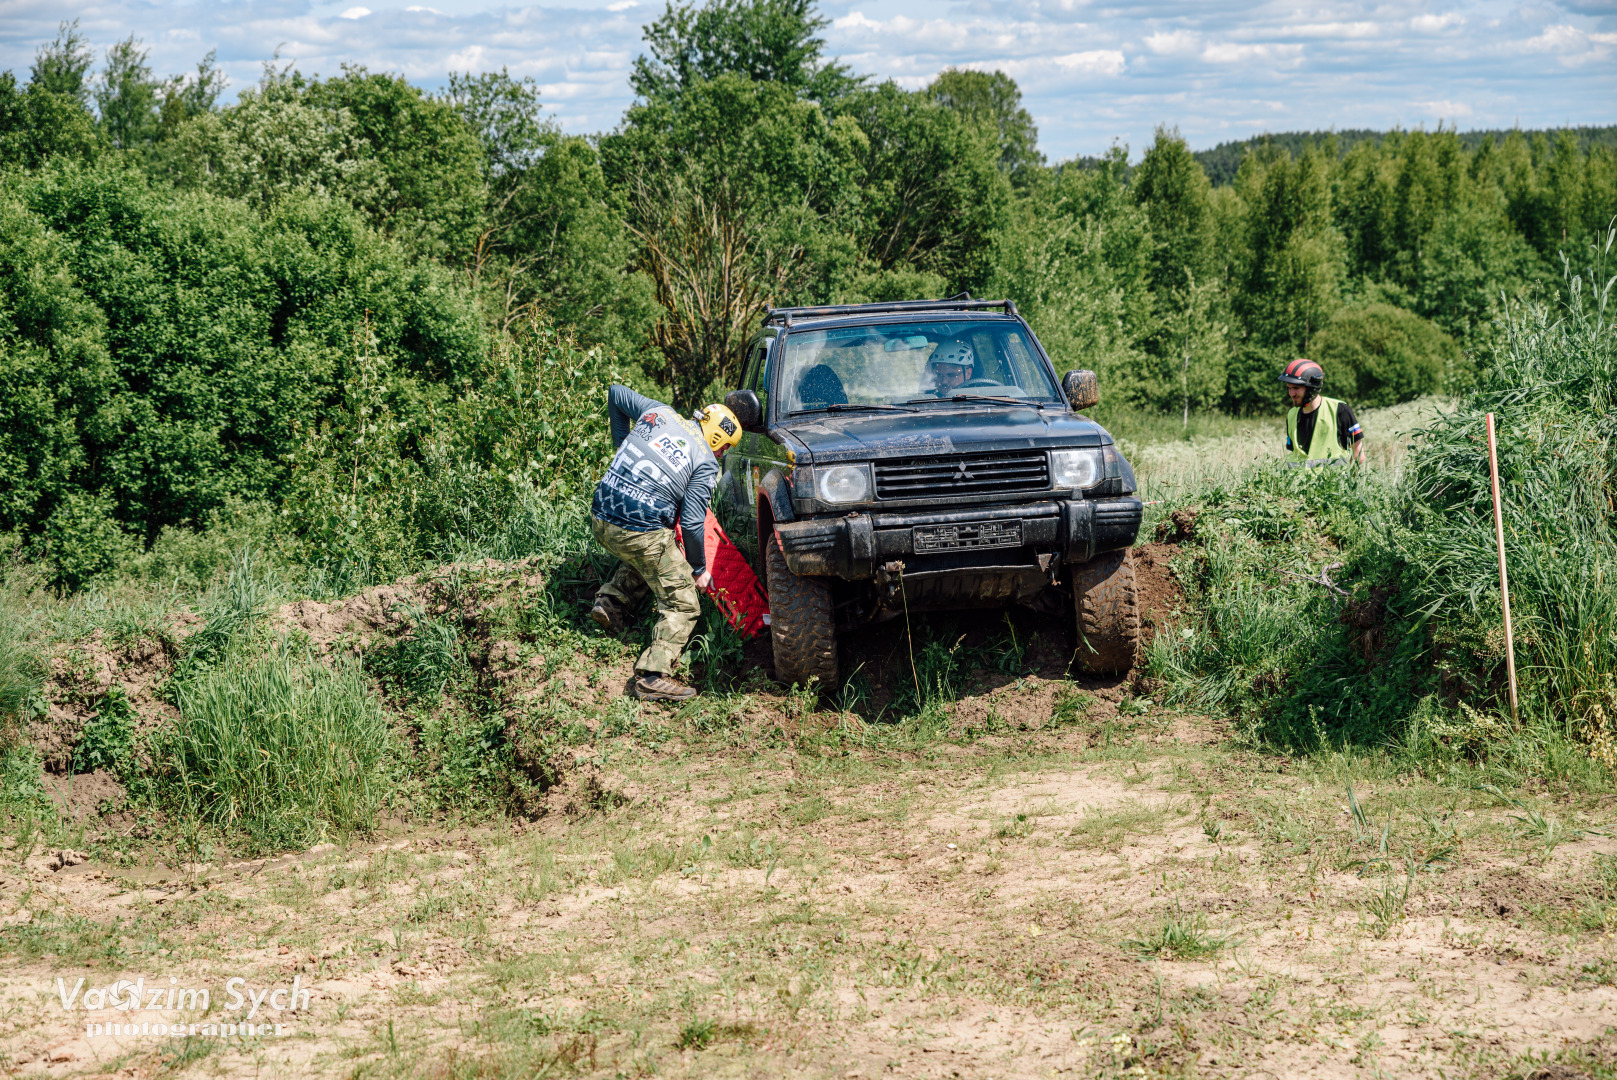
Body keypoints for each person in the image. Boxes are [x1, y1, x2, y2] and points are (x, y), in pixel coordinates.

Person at [587, 384, 743, 701]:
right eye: (725, 448)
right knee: (684, 602)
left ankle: (612, 602)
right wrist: (699, 571)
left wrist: (622, 448)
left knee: (658, 549)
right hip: (637, 533)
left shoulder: (660, 413)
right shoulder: (705, 461)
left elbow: (616, 393)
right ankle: (652, 675)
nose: (722, 455)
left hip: (600, 517)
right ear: (718, 440)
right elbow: (692, 522)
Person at [1279, 358, 1364, 464]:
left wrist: (1350, 479)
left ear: (1312, 388)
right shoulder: (1292, 414)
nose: (1291, 393)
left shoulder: (1340, 410)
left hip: (1333, 481)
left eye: (1296, 388)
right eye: (1289, 388)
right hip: (1298, 480)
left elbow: (1358, 455)